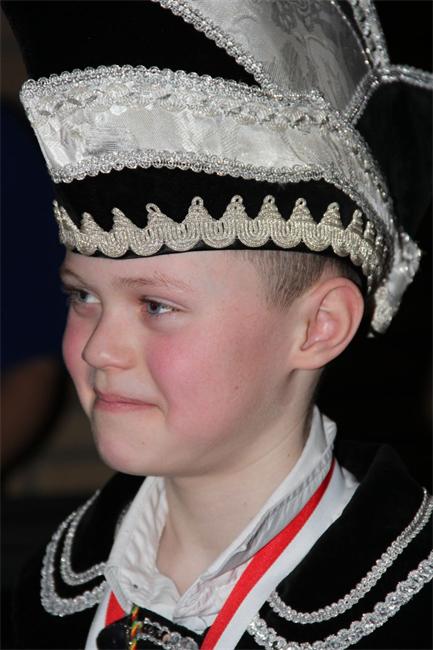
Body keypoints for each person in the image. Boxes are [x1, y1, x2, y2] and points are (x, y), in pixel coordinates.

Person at [3, 1, 432, 648]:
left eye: (156, 306)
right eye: (82, 296)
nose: (98, 349)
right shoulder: (48, 593)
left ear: (318, 327)